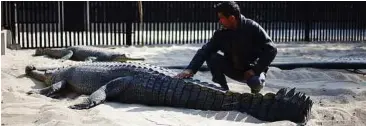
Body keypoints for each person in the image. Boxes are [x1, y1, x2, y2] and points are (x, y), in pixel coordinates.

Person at [174, 1, 277, 93]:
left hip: (252, 71)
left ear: (232, 18)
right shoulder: (221, 33)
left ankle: (255, 93)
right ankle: (221, 89)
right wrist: (190, 69)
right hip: (233, 68)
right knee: (212, 57)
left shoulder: (252, 27)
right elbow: (205, 50)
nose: (220, 21)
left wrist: (255, 69)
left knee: (255, 83)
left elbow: (271, 49)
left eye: (221, 18)